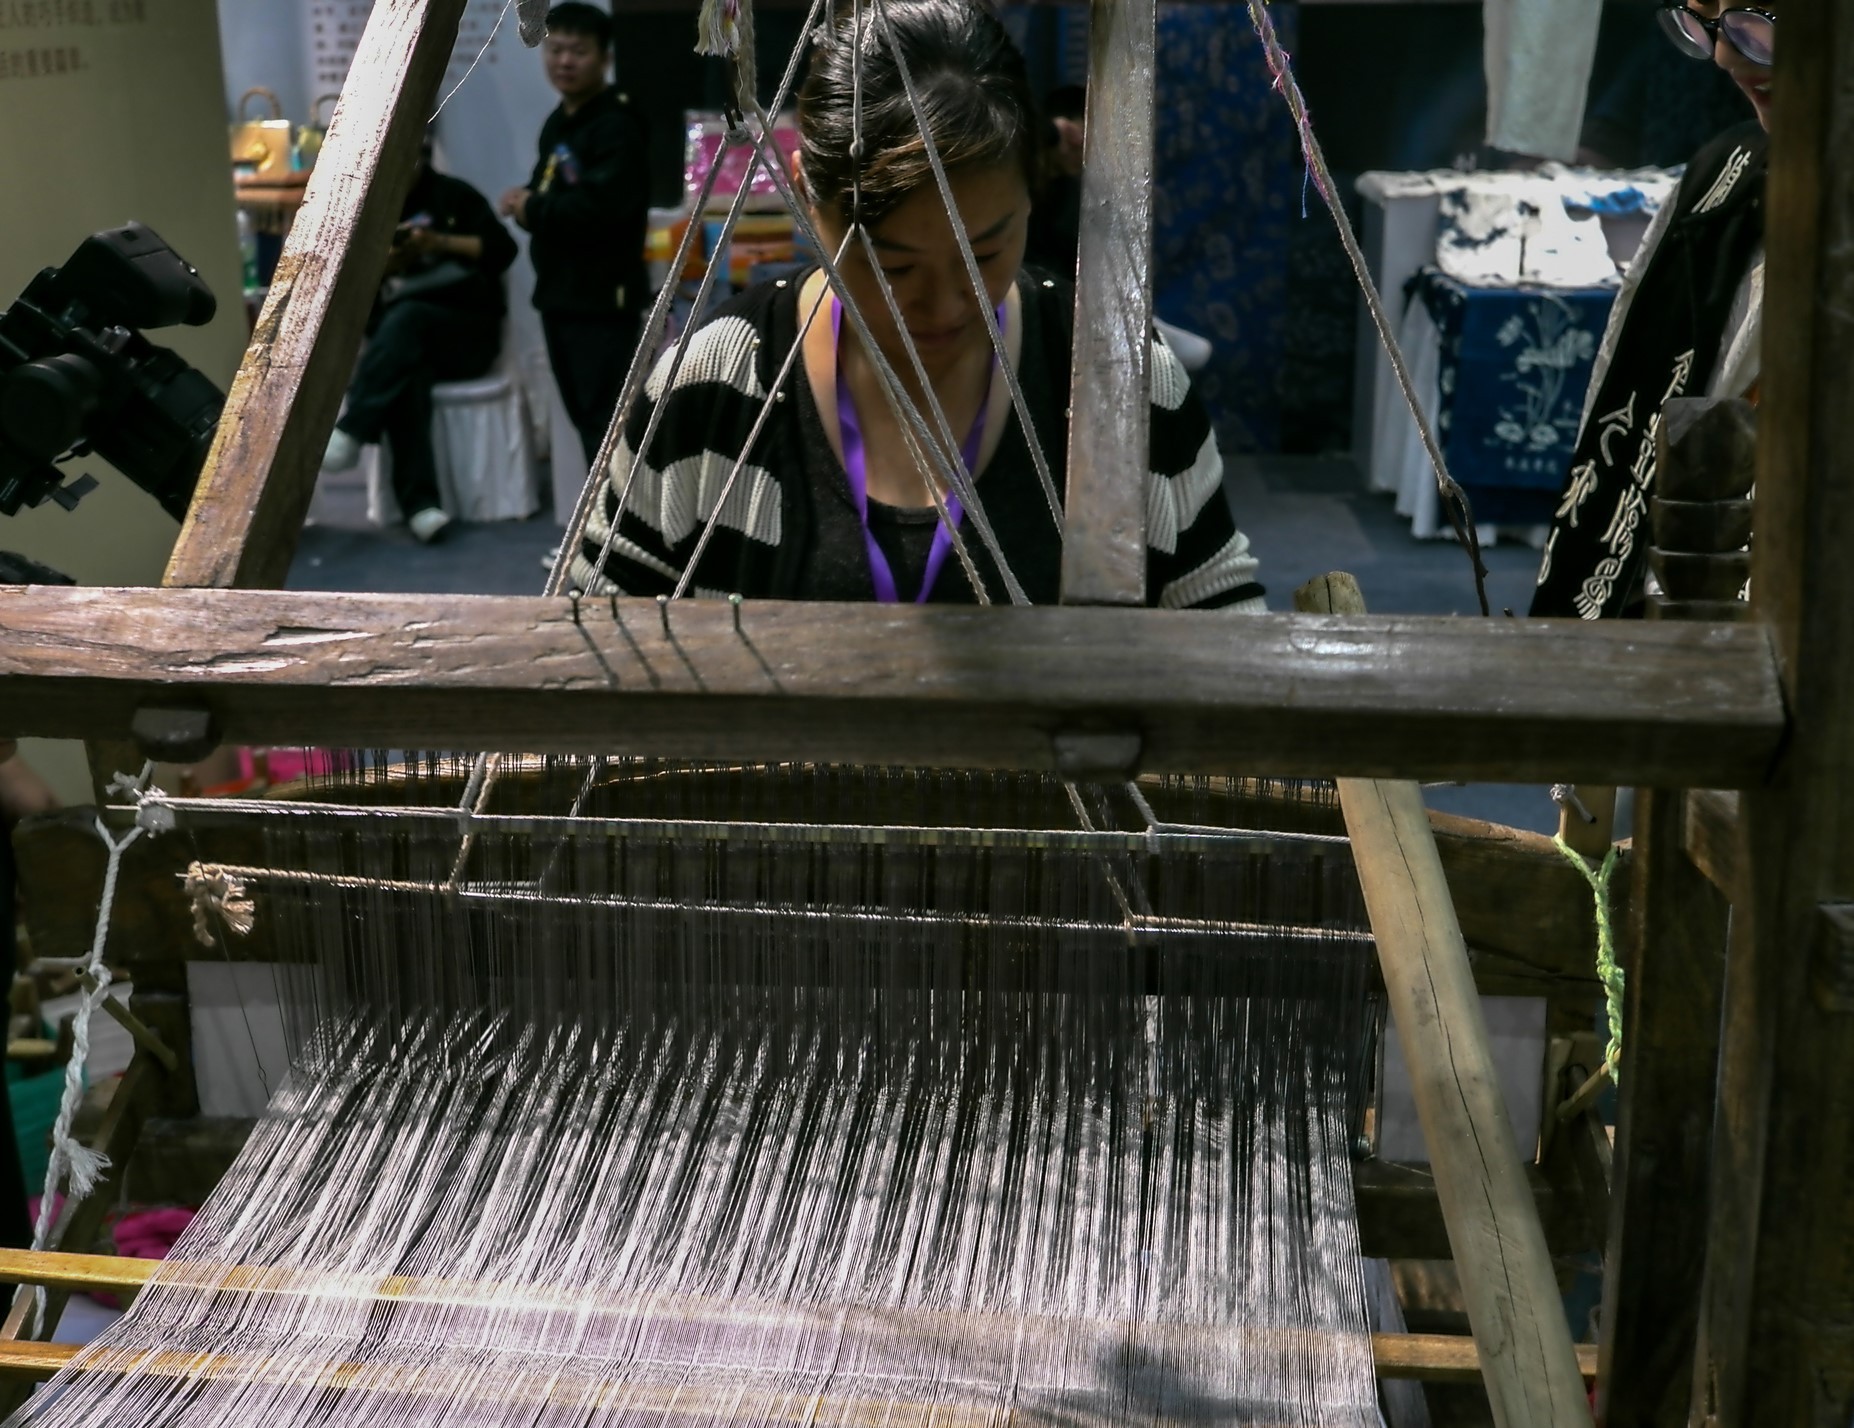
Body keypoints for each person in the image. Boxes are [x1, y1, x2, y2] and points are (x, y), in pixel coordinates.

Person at [567, 0, 1265, 610]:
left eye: (983, 255)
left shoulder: (1119, 379)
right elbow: (600, 628)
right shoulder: (714, 382)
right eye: (891, 266)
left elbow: (1218, 622)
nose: (942, 304)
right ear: (807, 196)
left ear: (1032, 192)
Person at [1531, 2, 1771, 620]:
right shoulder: (1724, 173)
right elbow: (1626, 381)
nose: (1725, 56)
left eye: (1757, 21)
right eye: (1703, 23)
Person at [323, 136, 518, 544]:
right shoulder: (373, 209)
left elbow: (503, 249)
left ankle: (354, 429)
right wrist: (387, 264)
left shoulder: (455, 195)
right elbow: (351, 284)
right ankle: (421, 507)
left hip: (466, 333)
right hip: (405, 341)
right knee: (406, 373)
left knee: (409, 321)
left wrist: (438, 243)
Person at [500, 3, 653, 468]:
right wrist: (527, 203)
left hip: (601, 301)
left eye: (578, 51)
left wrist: (530, 207)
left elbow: (599, 211)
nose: (564, 61)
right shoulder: (561, 120)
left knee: (608, 429)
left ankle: (614, 516)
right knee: (588, 423)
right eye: (556, 49)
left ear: (605, 58)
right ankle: (599, 515)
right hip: (561, 296)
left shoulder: (616, 125)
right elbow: (549, 190)